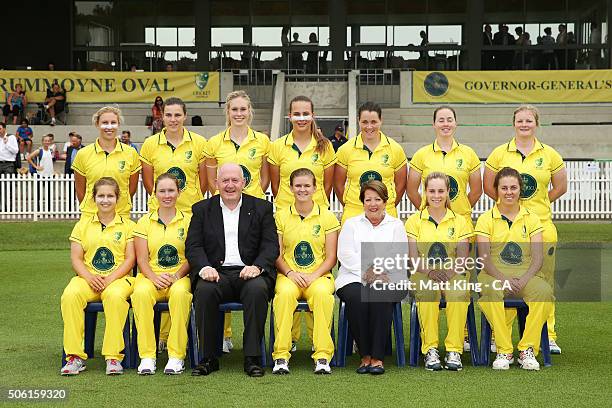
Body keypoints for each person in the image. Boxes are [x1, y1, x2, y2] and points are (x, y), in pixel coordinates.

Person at [484, 105, 566, 355]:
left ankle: (548, 335)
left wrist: (535, 206)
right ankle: (502, 336)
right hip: (507, 230)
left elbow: (560, 187)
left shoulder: (550, 154)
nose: (524, 124)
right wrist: (512, 207)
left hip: (541, 227)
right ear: (513, 124)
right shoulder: (499, 154)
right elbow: (490, 187)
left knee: (543, 282)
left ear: (536, 124)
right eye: (520, 120)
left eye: (529, 120)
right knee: (507, 278)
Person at [186, 163, 279, 377]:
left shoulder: (261, 208)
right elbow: (193, 245)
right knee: (205, 291)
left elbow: (270, 245)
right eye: (225, 181)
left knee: (257, 291)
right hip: (216, 272)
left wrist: (257, 267)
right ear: (216, 183)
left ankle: (253, 358)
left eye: (234, 180)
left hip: (249, 272)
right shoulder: (202, 209)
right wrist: (204, 268)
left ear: (243, 183)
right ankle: (208, 358)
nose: (230, 185)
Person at [139, 97, 206, 350]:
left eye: (178, 115)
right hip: (161, 216)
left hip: (191, 216)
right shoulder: (149, 145)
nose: (173, 119)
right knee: (161, 269)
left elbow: (203, 181)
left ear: (185, 116)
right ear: (162, 117)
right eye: (169, 115)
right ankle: (162, 338)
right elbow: (149, 183)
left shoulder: (199, 143)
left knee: (192, 275)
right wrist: (165, 203)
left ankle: (212, 334)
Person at [476, 167, 553, 371]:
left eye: (513, 187)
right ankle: (504, 349)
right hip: (493, 274)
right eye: (504, 188)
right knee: (491, 291)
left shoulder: (532, 218)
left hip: (526, 275)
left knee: (544, 292)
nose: (509, 192)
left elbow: (538, 257)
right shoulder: (486, 218)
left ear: (520, 190)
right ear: (496, 190)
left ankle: (527, 349)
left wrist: (525, 278)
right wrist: (503, 279)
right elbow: (484, 257)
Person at [60, 177, 136, 375]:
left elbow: (130, 259)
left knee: (114, 297)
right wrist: (89, 277)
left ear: (117, 198)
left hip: (119, 279)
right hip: (88, 279)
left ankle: (113, 357)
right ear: (93, 198)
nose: (105, 200)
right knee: (70, 295)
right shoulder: (82, 225)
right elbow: (76, 258)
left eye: (110, 196)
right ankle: (75, 357)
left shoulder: (128, 226)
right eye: (101, 196)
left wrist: (110, 278)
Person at [336, 180, 408, 375]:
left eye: (377, 199)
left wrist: (379, 272)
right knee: (357, 297)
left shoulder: (396, 225)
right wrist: (367, 272)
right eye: (368, 199)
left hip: (390, 277)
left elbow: (398, 255)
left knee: (379, 294)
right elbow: (345, 254)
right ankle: (365, 355)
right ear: (362, 202)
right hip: (354, 277)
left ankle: (377, 357)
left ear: (385, 201)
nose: (373, 204)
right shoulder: (351, 224)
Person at [272, 168, 339, 375]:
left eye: (307, 186)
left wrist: (313, 275)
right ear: (291, 188)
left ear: (315, 188)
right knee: (283, 295)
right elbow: (277, 254)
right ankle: (281, 355)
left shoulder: (327, 217)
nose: (302, 190)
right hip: (289, 275)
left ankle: (322, 356)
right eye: (298, 186)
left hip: (318, 276)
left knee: (322, 296)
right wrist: (291, 273)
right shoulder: (281, 216)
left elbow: (331, 257)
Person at [405, 172, 473, 371]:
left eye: (441, 191)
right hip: (424, 274)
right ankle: (431, 349)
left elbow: (463, 258)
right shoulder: (414, 221)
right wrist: (432, 274)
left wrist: (448, 274)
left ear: (448, 192)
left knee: (458, 293)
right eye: (432, 191)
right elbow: (413, 259)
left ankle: (454, 350)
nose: (436, 195)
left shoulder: (460, 221)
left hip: (453, 274)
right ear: (425, 192)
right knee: (427, 293)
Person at [131, 173, 193, 375]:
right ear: (154, 193)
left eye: (171, 190)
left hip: (179, 277)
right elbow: (141, 259)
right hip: (151, 276)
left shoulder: (189, 220)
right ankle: (147, 356)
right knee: (140, 294)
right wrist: (154, 278)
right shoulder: (144, 222)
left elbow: (192, 256)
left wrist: (176, 276)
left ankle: (176, 357)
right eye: (162, 191)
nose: (167, 195)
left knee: (181, 295)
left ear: (179, 192)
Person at [408, 106, 482, 227]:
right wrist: (427, 209)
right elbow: (411, 191)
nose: (445, 124)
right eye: (441, 120)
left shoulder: (469, 154)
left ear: (455, 123)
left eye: (449, 120)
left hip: (461, 223)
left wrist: (460, 209)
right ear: (434, 124)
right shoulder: (421, 154)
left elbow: (476, 191)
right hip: (430, 223)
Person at [335, 102, 406, 225]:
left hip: (386, 214)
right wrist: (354, 205)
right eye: (364, 122)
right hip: (354, 213)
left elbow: (400, 185)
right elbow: (338, 185)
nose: (369, 127)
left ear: (381, 121)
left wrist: (385, 205)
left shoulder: (395, 149)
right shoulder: (345, 149)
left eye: (373, 122)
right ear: (358, 121)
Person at [268, 95, 336, 212]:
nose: (301, 118)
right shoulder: (277, 145)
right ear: (289, 116)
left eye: (305, 114)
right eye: (296, 114)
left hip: (317, 211)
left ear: (312, 116)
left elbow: (327, 186)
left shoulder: (326, 146)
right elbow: (275, 185)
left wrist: (314, 205)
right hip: (285, 212)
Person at [72, 106, 141, 218]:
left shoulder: (131, 153)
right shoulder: (83, 154)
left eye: (113, 122)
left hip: (121, 215)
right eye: (105, 122)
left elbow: (131, 189)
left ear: (118, 124)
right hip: (91, 216)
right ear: (97, 124)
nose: (109, 126)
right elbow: (80, 191)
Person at [205, 90, 270, 200]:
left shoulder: (263, 140)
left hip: (253, 206)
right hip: (224, 205)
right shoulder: (213, 142)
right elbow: (211, 181)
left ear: (249, 111)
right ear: (228, 112)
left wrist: (252, 200)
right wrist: (226, 199)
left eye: (243, 109)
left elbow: (265, 179)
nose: (239, 114)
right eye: (234, 109)